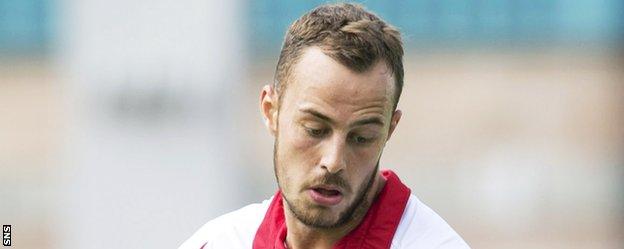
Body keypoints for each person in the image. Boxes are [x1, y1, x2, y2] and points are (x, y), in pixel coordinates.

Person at [179, 3, 470, 249]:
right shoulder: (217, 243)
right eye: (315, 130)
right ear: (271, 111)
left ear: (389, 131)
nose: (333, 162)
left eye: (361, 137)